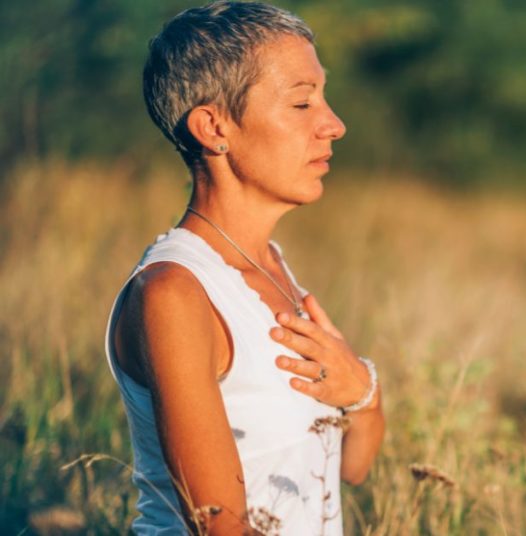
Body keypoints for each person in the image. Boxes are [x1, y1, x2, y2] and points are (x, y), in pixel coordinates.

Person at [102, 2, 385, 533]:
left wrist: (364, 394)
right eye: (302, 103)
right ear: (213, 127)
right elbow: (222, 525)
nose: (335, 125)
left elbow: (352, 467)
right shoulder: (175, 293)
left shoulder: (273, 267)